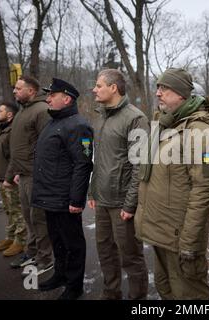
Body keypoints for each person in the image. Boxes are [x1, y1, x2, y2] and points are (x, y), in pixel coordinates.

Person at [134, 68, 209, 299]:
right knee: (165, 288)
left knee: (188, 295)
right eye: (158, 88)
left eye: (165, 89)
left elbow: (204, 190)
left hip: (179, 235)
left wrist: (189, 241)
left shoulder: (199, 131)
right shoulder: (165, 125)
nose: (158, 93)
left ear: (182, 94)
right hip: (160, 231)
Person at [88, 69, 149, 300]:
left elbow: (140, 166)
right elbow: (98, 158)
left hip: (123, 203)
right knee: (105, 252)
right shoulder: (101, 116)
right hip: (102, 199)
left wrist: (130, 204)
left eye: (99, 85)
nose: (94, 89)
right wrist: (92, 191)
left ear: (113, 88)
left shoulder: (135, 118)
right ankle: (111, 293)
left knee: (131, 257)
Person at [31, 78, 93, 300]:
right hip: (49, 197)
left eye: (52, 95)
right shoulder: (53, 122)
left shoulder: (79, 125)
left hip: (64, 199)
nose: (47, 98)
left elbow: (83, 164)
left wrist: (76, 200)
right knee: (56, 240)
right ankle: (60, 275)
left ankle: (74, 286)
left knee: (73, 244)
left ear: (66, 99)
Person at [8, 75, 53, 275]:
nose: (14, 91)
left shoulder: (42, 110)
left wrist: (42, 175)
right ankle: (33, 252)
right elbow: (18, 146)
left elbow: (47, 146)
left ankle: (46, 258)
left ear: (31, 91)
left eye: (18, 88)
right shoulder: (22, 111)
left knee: (39, 219)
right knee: (28, 218)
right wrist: (12, 173)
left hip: (37, 176)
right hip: (24, 175)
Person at [0, 101, 27, 257]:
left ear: (10, 114)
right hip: (2, 178)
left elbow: (15, 156)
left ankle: (21, 241)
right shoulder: (3, 129)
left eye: (0, 111)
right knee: (9, 211)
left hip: (11, 179)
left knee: (17, 211)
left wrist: (10, 177)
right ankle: (11, 237)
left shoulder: (13, 131)